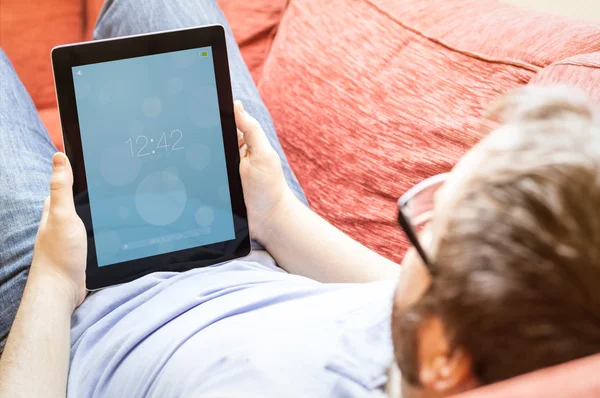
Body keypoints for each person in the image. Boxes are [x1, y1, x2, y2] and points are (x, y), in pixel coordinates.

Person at [0, 1, 599, 397]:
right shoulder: (461, 327)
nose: (422, 206)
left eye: (431, 222)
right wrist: (276, 214)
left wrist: (54, 273)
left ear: (445, 356)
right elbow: (393, 291)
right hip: (249, 241)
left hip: (74, 312)